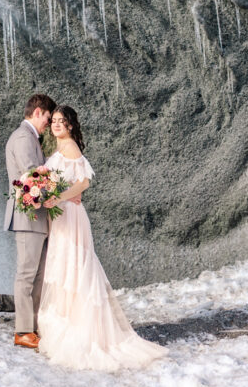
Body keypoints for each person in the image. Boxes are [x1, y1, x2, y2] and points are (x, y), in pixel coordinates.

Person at [37, 106, 168, 371]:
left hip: (71, 215)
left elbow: (83, 183)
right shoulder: (60, 148)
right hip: (61, 215)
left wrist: (59, 197)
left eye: (62, 121)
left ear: (71, 125)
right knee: (64, 268)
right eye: (55, 121)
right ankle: (68, 320)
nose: (57, 125)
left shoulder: (70, 146)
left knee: (75, 268)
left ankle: (83, 329)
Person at [3, 93, 57, 349]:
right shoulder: (24, 137)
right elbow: (32, 176)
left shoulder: (30, 137)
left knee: (37, 275)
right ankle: (23, 331)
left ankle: (32, 328)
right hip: (28, 216)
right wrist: (55, 192)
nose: (49, 123)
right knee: (26, 274)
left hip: (36, 218)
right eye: (48, 117)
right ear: (37, 112)